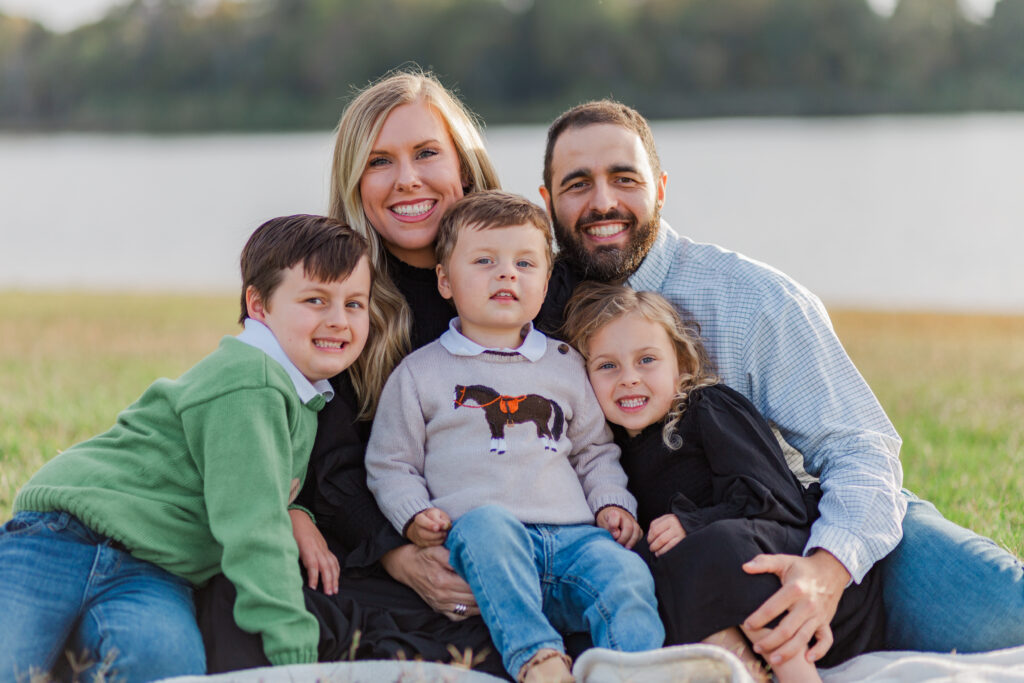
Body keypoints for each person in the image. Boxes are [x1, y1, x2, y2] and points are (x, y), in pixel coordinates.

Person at [538, 99, 1024, 666]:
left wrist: (826, 571)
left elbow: (859, 449)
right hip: (682, 571)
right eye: (577, 184)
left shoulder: (751, 297)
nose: (603, 202)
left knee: (1008, 617)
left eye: (625, 179)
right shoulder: (529, 308)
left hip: (829, 533)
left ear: (661, 188)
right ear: (547, 203)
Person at [198, 69, 513, 677]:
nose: (407, 180)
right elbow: (328, 460)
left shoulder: (522, 274)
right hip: (378, 552)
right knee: (240, 596)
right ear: (354, 181)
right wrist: (396, 553)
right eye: (378, 162)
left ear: (465, 167)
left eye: (427, 153)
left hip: (522, 544)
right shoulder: (340, 301)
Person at [0, 214, 373, 682]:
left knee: (166, 668)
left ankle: (68, 649)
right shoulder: (248, 381)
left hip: (154, 572)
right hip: (62, 537)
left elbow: (257, 481)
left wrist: (297, 512)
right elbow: (253, 525)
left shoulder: (299, 394)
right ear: (258, 305)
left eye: (355, 303)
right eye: (316, 300)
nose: (338, 320)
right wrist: (295, 649)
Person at [365, 191, 664, 683]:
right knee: (487, 526)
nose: (507, 274)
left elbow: (594, 451)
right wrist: (413, 514)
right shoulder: (421, 373)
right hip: (486, 547)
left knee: (626, 574)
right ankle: (539, 659)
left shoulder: (566, 364)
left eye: (525, 263)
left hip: (574, 539)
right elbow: (391, 464)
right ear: (445, 279)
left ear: (545, 282)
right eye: (484, 261)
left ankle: (634, 670)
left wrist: (613, 503)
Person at [562, 282, 887, 681]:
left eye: (647, 360)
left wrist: (691, 523)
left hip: (792, 568)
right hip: (713, 591)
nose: (629, 378)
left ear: (680, 365)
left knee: (712, 547)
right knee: (637, 574)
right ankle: (735, 669)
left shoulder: (707, 408)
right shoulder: (611, 455)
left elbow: (774, 498)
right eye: (607, 366)